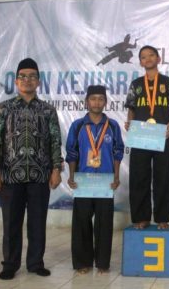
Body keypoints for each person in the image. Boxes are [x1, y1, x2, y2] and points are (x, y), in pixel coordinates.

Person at [0, 58, 63, 280]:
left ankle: (36, 262)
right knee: (11, 222)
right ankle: (10, 264)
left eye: (32, 76)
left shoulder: (47, 110)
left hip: (40, 175)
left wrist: (56, 169)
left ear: (38, 81)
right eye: (23, 76)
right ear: (16, 81)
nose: (27, 80)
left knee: (38, 221)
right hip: (10, 175)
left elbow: (54, 141)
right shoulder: (4, 109)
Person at [65, 85, 124, 274]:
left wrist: (116, 176)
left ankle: (102, 263)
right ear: (86, 102)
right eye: (93, 99)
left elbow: (118, 153)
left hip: (105, 182)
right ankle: (82, 262)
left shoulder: (113, 126)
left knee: (104, 224)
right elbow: (72, 153)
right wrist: (72, 176)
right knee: (81, 222)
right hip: (83, 181)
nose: (97, 102)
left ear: (106, 102)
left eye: (100, 99)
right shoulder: (78, 126)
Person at [125, 45, 169, 229]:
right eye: (143, 57)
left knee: (162, 177)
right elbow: (131, 109)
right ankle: (142, 217)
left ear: (158, 58)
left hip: (162, 135)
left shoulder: (168, 82)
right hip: (140, 135)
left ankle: (162, 218)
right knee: (139, 176)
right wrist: (129, 123)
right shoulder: (136, 85)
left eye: (151, 56)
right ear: (140, 62)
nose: (147, 59)